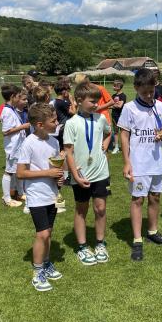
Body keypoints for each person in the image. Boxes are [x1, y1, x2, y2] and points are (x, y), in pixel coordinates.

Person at [118, 68, 162, 262]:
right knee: (138, 199)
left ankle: (152, 231)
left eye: (152, 91)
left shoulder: (159, 106)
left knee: (155, 197)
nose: (149, 95)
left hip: (156, 162)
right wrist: (127, 162)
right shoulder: (129, 108)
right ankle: (137, 240)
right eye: (145, 93)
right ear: (136, 88)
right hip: (138, 163)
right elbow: (124, 136)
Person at [17, 103, 64, 291]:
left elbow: (55, 167)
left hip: (51, 194)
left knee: (49, 232)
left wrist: (59, 177)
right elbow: (20, 173)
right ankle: (37, 273)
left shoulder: (54, 141)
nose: (57, 123)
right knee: (42, 233)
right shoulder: (28, 143)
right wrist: (48, 173)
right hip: (36, 195)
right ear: (40, 124)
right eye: (53, 121)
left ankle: (46, 262)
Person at [64, 82, 112, 266]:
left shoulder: (101, 119)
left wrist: (105, 144)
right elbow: (68, 152)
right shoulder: (71, 123)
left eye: (97, 101)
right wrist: (75, 176)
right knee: (81, 209)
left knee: (100, 208)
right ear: (79, 100)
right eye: (92, 101)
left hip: (101, 172)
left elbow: (108, 133)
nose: (96, 104)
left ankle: (100, 243)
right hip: (81, 175)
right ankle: (83, 246)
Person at [0, 84, 30, 207]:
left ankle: (20, 193)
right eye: (18, 96)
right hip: (12, 148)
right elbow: (6, 131)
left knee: (19, 169)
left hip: (18, 146)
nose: (19, 98)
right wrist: (23, 127)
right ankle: (7, 198)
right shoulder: (7, 111)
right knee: (9, 172)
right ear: (13, 97)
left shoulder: (11, 109)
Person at [53, 78, 76, 150]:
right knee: (67, 148)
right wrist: (71, 100)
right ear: (63, 91)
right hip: (64, 128)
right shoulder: (62, 103)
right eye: (67, 90)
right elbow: (74, 112)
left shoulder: (57, 101)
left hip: (61, 127)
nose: (68, 92)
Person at [111, 79, 126, 155]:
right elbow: (109, 105)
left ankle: (125, 147)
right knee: (116, 132)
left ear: (119, 87)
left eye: (114, 86)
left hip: (121, 116)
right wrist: (115, 104)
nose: (113, 87)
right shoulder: (113, 96)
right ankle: (116, 147)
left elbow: (120, 106)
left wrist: (114, 105)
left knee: (123, 132)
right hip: (114, 116)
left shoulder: (123, 96)